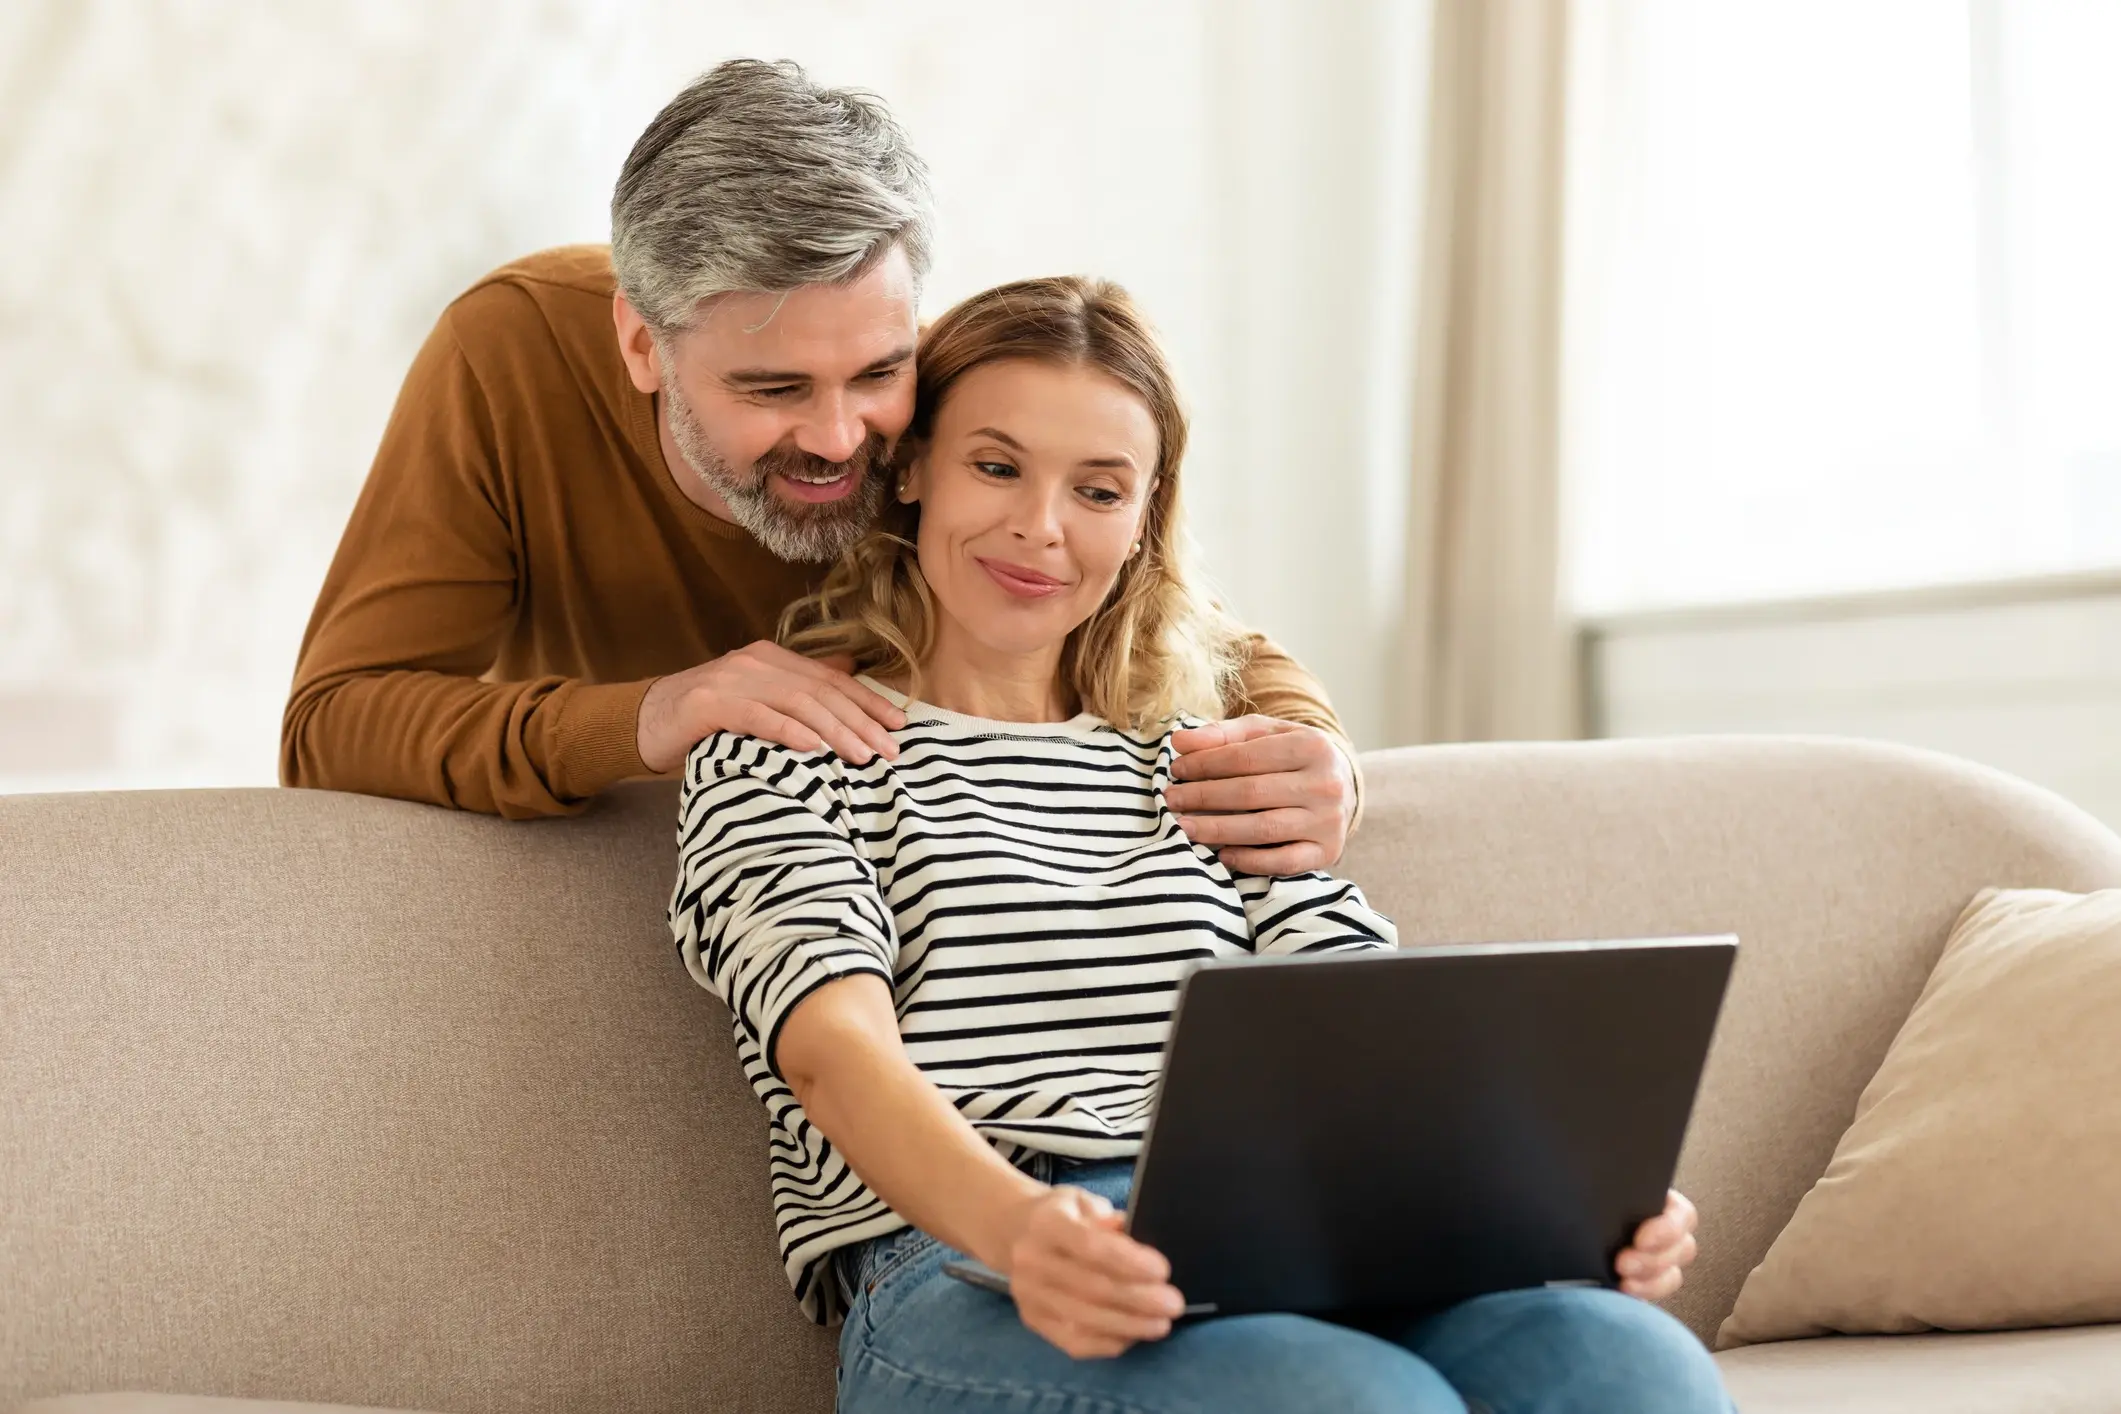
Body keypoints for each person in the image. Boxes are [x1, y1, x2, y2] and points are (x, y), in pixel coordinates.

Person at [668, 276, 1730, 1413]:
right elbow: (832, 1054)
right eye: (996, 465)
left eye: (1099, 489)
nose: (1042, 525)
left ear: (1142, 520)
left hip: (1296, 1234)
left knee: (1625, 1363)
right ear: (913, 466)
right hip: (963, 1266)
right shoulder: (784, 748)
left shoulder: (1208, 764)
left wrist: (1556, 1197)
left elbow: (1371, 1031)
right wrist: (1024, 1229)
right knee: (1354, 1401)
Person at [280, 59, 1356, 879]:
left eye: (879, 370)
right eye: (773, 390)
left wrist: (1319, 750)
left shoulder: (935, 405)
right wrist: (650, 716)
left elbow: (1153, 603)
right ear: (643, 345)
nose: (845, 438)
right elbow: (331, 728)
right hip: (654, 868)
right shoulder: (509, 354)